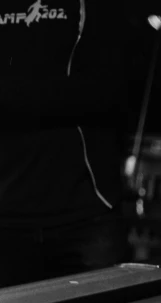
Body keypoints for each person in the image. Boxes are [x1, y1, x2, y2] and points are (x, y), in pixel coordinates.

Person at [0, 0, 128, 287]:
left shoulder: (91, 6)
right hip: (5, 216)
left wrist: (12, 97)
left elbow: (105, 92)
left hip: (87, 213)